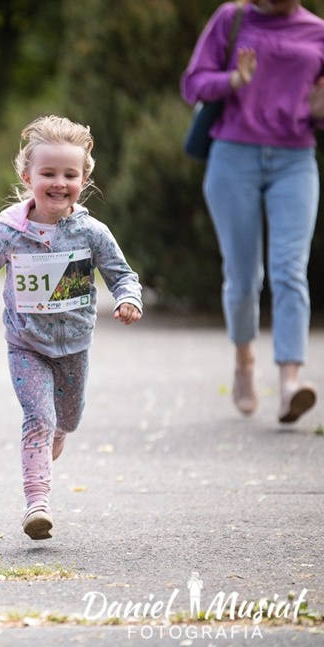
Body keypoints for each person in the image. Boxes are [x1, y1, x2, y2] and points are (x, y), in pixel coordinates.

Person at [0, 116, 143, 541]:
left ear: (84, 177)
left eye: (69, 175)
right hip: (26, 345)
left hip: (75, 345)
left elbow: (122, 274)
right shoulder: (10, 232)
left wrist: (129, 298)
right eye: (48, 173)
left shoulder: (92, 232)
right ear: (27, 176)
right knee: (37, 416)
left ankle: (58, 433)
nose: (59, 183)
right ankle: (37, 503)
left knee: (67, 420)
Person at [181, 0, 323, 423]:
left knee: (289, 270)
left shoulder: (318, 31)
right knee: (243, 277)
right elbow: (193, 84)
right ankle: (244, 361)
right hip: (233, 157)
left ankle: (289, 385)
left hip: (295, 160)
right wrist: (233, 80)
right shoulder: (233, 18)